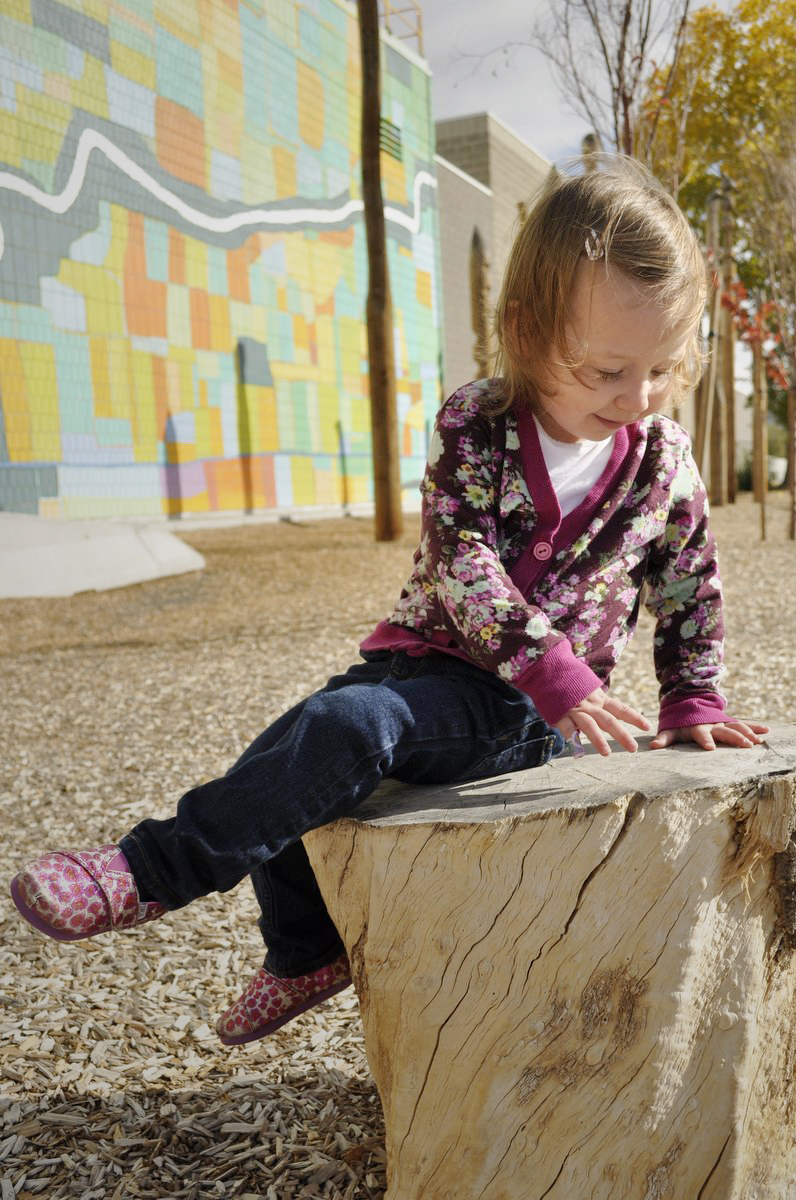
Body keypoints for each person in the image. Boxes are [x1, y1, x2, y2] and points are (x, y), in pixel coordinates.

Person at [11, 156, 768, 1048]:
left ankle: (150, 870)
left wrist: (691, 700)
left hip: (526, 708)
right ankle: (304, 952)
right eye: (608, 370)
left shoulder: (661, 460)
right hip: (423, 664)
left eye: (665, 369)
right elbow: (464, 562)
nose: (638, 399)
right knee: (303, 749)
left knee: (346, 733)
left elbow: (688, 584)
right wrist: (547, 661)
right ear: (526, 330)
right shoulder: (476, 423)